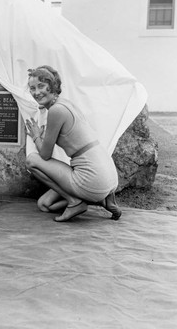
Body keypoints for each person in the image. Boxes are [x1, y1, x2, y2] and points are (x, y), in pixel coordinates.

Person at [25, 65, 122, 222]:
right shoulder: (66, 103)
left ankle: (75, 201)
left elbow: (44, 155)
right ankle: (101, 200)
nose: (36, 92)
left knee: (32, 161)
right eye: (32, 88)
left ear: (52, 86)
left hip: (92, 178)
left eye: (41, 86)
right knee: (44, 204)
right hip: (109, 176)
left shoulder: (56, 111)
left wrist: (36, 136)